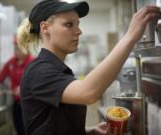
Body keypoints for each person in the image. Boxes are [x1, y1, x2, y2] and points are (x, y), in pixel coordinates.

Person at [17, 0, 161, 135]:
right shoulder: (39, 71)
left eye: (77, 24)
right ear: (45, 28)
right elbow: (88, 92)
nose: (79, 31)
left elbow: (51, 124)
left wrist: (88, 131)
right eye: (69, 24)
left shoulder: (58, 69)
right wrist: (130, 37)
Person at [0, 36, 34, 135]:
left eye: (19, 47)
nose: (16, 50)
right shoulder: (11, 62)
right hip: (17, 103)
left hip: (30, 104)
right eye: (15, 47)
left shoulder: (33, 63)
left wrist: (24, 88)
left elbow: (39, 83)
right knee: (19, 128)